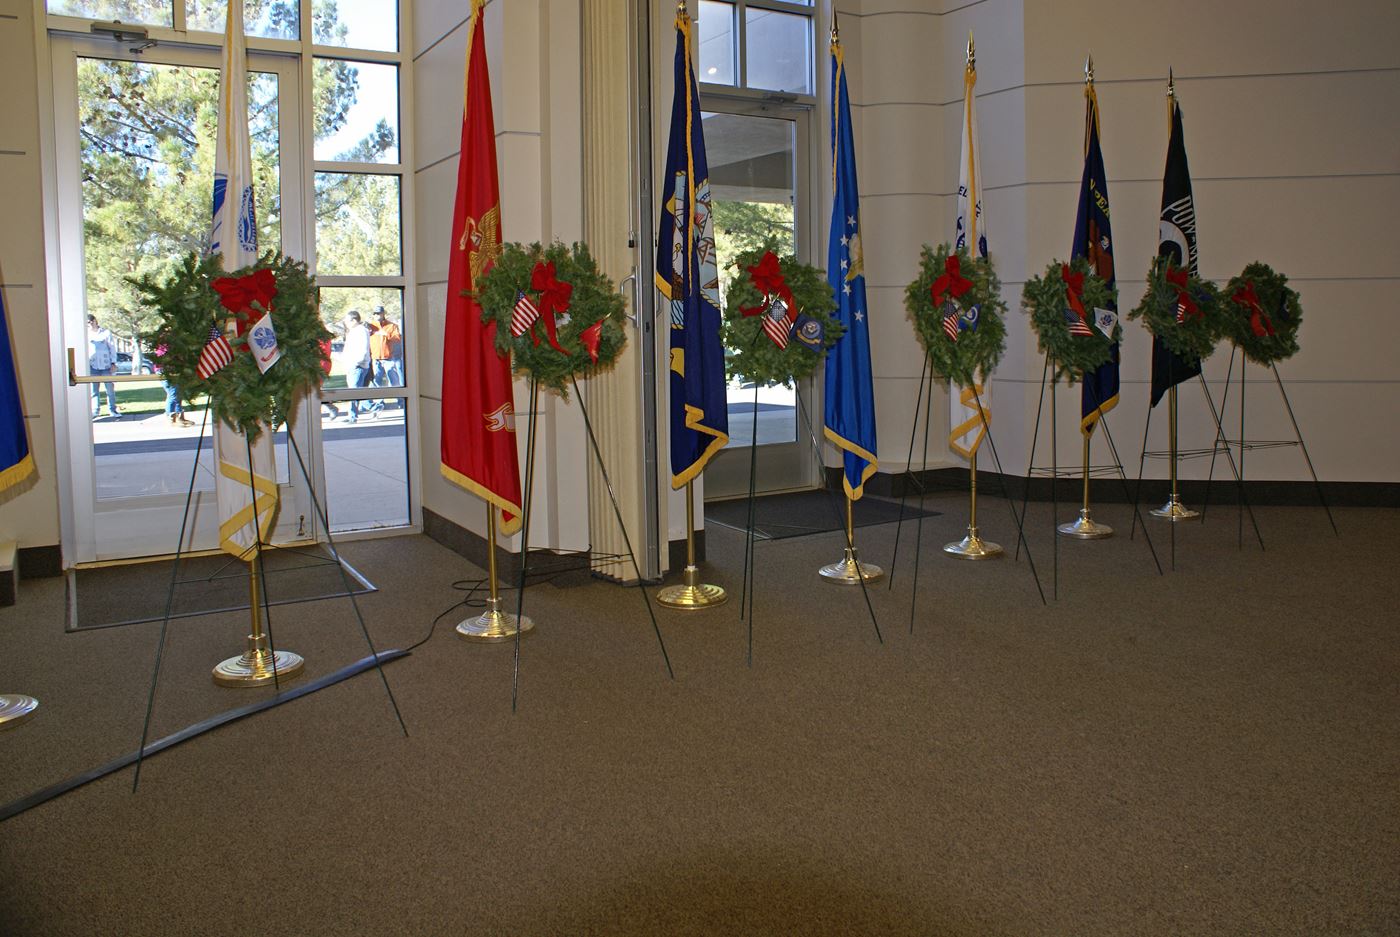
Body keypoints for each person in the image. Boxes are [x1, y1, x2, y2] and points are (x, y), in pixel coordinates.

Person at [337, 310, 373, 423]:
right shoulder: (354, 331)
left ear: (354, 320)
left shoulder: (361, 331)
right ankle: (369, 408)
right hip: (353, 365)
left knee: (353, 392)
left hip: (357, 366)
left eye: (347, 321)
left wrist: (356, 362)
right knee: (356, 391)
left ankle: (357, 414)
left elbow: (363, 349)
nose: (346, 323)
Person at [367, 306, 403, 416]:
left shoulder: (391, 325)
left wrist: (385, 334)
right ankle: (379, 402)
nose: (377, 315)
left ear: (383, 314)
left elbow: (397, 338)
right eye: (375, 313)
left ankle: (401, 401)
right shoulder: (370, 326)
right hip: (375, 358)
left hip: (388, 358)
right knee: (377, 381)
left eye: (379, 313)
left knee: (394, 381)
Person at [151, 344, 195, 428]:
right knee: (173, 393)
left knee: (177, 393)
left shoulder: (170, 345)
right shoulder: (164, 347)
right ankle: (171, 417)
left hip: (172, 369)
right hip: (165, 371)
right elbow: (165, 360)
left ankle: (179, 417)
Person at [86, 314, 120, 418]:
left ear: (95, 321)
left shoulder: (105, 333)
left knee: (109, 389)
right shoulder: (86, 334)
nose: (90, 324)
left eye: (91, 321)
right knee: (94, 391)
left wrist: (113, 362)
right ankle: (95, 411)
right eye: (88, 323)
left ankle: (113, 410)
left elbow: (112, 348)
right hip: (93, 366)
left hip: (106, 365)